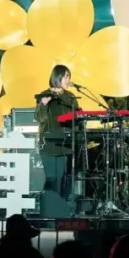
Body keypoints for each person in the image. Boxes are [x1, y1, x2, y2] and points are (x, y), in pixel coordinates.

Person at [35, 65, 79, 200]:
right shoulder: (44, 94)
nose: (68, 80)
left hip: (64, 145)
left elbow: (76, 118)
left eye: (69, 77)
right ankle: (48, 207)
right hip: (48, 144)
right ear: (57, 77)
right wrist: (43, 105)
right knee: (51, 179)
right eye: (65, 77)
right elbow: (39, 118)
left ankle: (59, 207)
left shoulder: (70, 96)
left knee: (61, 179)